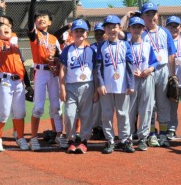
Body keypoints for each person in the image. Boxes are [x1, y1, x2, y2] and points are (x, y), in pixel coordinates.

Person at [26, 0, 63, 151]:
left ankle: (59, 135)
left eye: (44, 18)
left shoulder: (54, 38)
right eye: (38, 18)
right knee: (39, 107)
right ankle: (33, 138)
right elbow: (30, 20)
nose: (40, 19)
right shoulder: (35, 36)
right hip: (40, 72)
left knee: (56, 106)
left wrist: (56, 60)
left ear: (50, 22)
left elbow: (60, 56)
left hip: (53, 73)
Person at [0, 2, 28, 152]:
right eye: (2, 26)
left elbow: (22, 66)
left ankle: (20, 137)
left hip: (18, 82)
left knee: (20, 112)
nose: (5, 28)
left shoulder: (15, 45)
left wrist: (28, 85)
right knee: (4, 110)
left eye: (8, 27)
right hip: (4, 80)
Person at [138, 3, 177, 148]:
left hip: (163, 70)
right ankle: (151, 134)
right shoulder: (141, 33)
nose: (150, 17)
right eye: (147, 14)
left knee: (163, 103)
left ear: (157, 16)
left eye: (153, 13)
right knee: (149, 104)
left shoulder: (165, 32)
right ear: (142, 17)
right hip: (148, 72)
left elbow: (172, 54)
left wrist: (173, 75)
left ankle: (163, 134)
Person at [96, 15, 135, 154]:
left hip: (122, 85)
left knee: (123, 114)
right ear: (105, 29)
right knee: (106, 114)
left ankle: (124, 140)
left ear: (119, 28)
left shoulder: (125, 45)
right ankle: (110, 140)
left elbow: (130, 66)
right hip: (106, 86)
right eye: (108, 27)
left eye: (114, 26)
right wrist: (100, 84)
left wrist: (131, 84)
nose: (112, 29)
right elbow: (98, 67)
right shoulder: (102, 46)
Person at [58, 19, 98, 154]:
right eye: (76, 31)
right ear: (71, 33)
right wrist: (62, 88)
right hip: (70, 86)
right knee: (69, 115)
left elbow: (95, 71)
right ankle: (71, 140)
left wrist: (96, 89)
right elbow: (62, 70)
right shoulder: (67, 50)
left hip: (88, 85)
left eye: (82, 31)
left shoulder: (91, 50)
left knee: (86, 115)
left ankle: (83, 141)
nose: (79, 33)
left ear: (87, 33)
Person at [126, 17, 158, 151]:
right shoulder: (125, 45)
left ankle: (143, 138)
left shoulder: (147, 45)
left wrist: (149, 70)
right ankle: (127, 137)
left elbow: (154, 62)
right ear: (129, 29)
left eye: (139, 27)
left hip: (146, 78)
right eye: (134, 27)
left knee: (146, 109)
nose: (136, 29)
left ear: (143, 29)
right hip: (131, 79)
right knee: (129, 110)